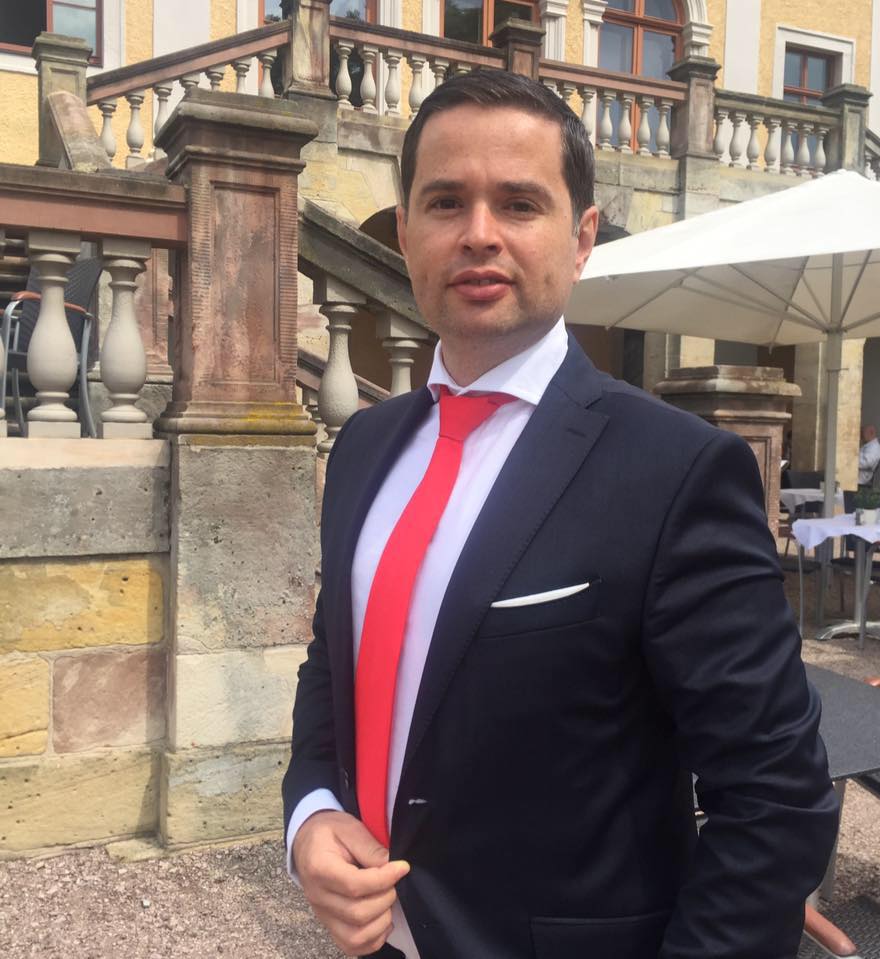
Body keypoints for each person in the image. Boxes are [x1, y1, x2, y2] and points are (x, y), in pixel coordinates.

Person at [283, 71, 839, 959]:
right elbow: (334, 662)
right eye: (445, 201)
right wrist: (311, 812)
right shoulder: (363, 446)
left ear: (581, 239)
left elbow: (776, 797)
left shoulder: (673, 470)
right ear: (406, 231)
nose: (479, 233)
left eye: (519, 203)